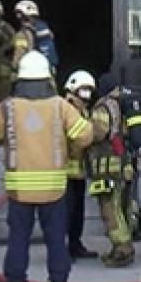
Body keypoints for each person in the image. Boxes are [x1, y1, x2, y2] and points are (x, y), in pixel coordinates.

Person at [0, 51, 92, 282]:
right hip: (54, 188)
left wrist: (4, 139)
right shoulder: (60, 106)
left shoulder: (7, 107)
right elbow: (85, 135)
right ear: (47, 77)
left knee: (18, 240)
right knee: (56, 241)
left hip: (19, 190)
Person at [86, 73, 141, 267]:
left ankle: (122, 250)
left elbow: (98, 132)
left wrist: (84, 129)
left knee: (110, 209)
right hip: (122, 164)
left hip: (108, 166)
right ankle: (122, 246)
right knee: (121, 207)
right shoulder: (120, 105)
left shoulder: (104, 106)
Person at [62, 70, 99, 259]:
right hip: (66, 172)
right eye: (83, 89)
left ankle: (75, 245)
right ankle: (63, 249)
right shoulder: (67, 107)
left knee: (77, 212)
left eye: (89, 90)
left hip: (79, 171)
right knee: (67, 213)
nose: (87, 93)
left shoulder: (82, 108)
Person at [12, 0, 58, 78]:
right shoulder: (45, 29)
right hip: (47, 71)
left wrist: (14, 68)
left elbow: (19, 53)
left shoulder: (22, 34)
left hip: (29, 73)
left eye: (20, 14)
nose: (18, 17)